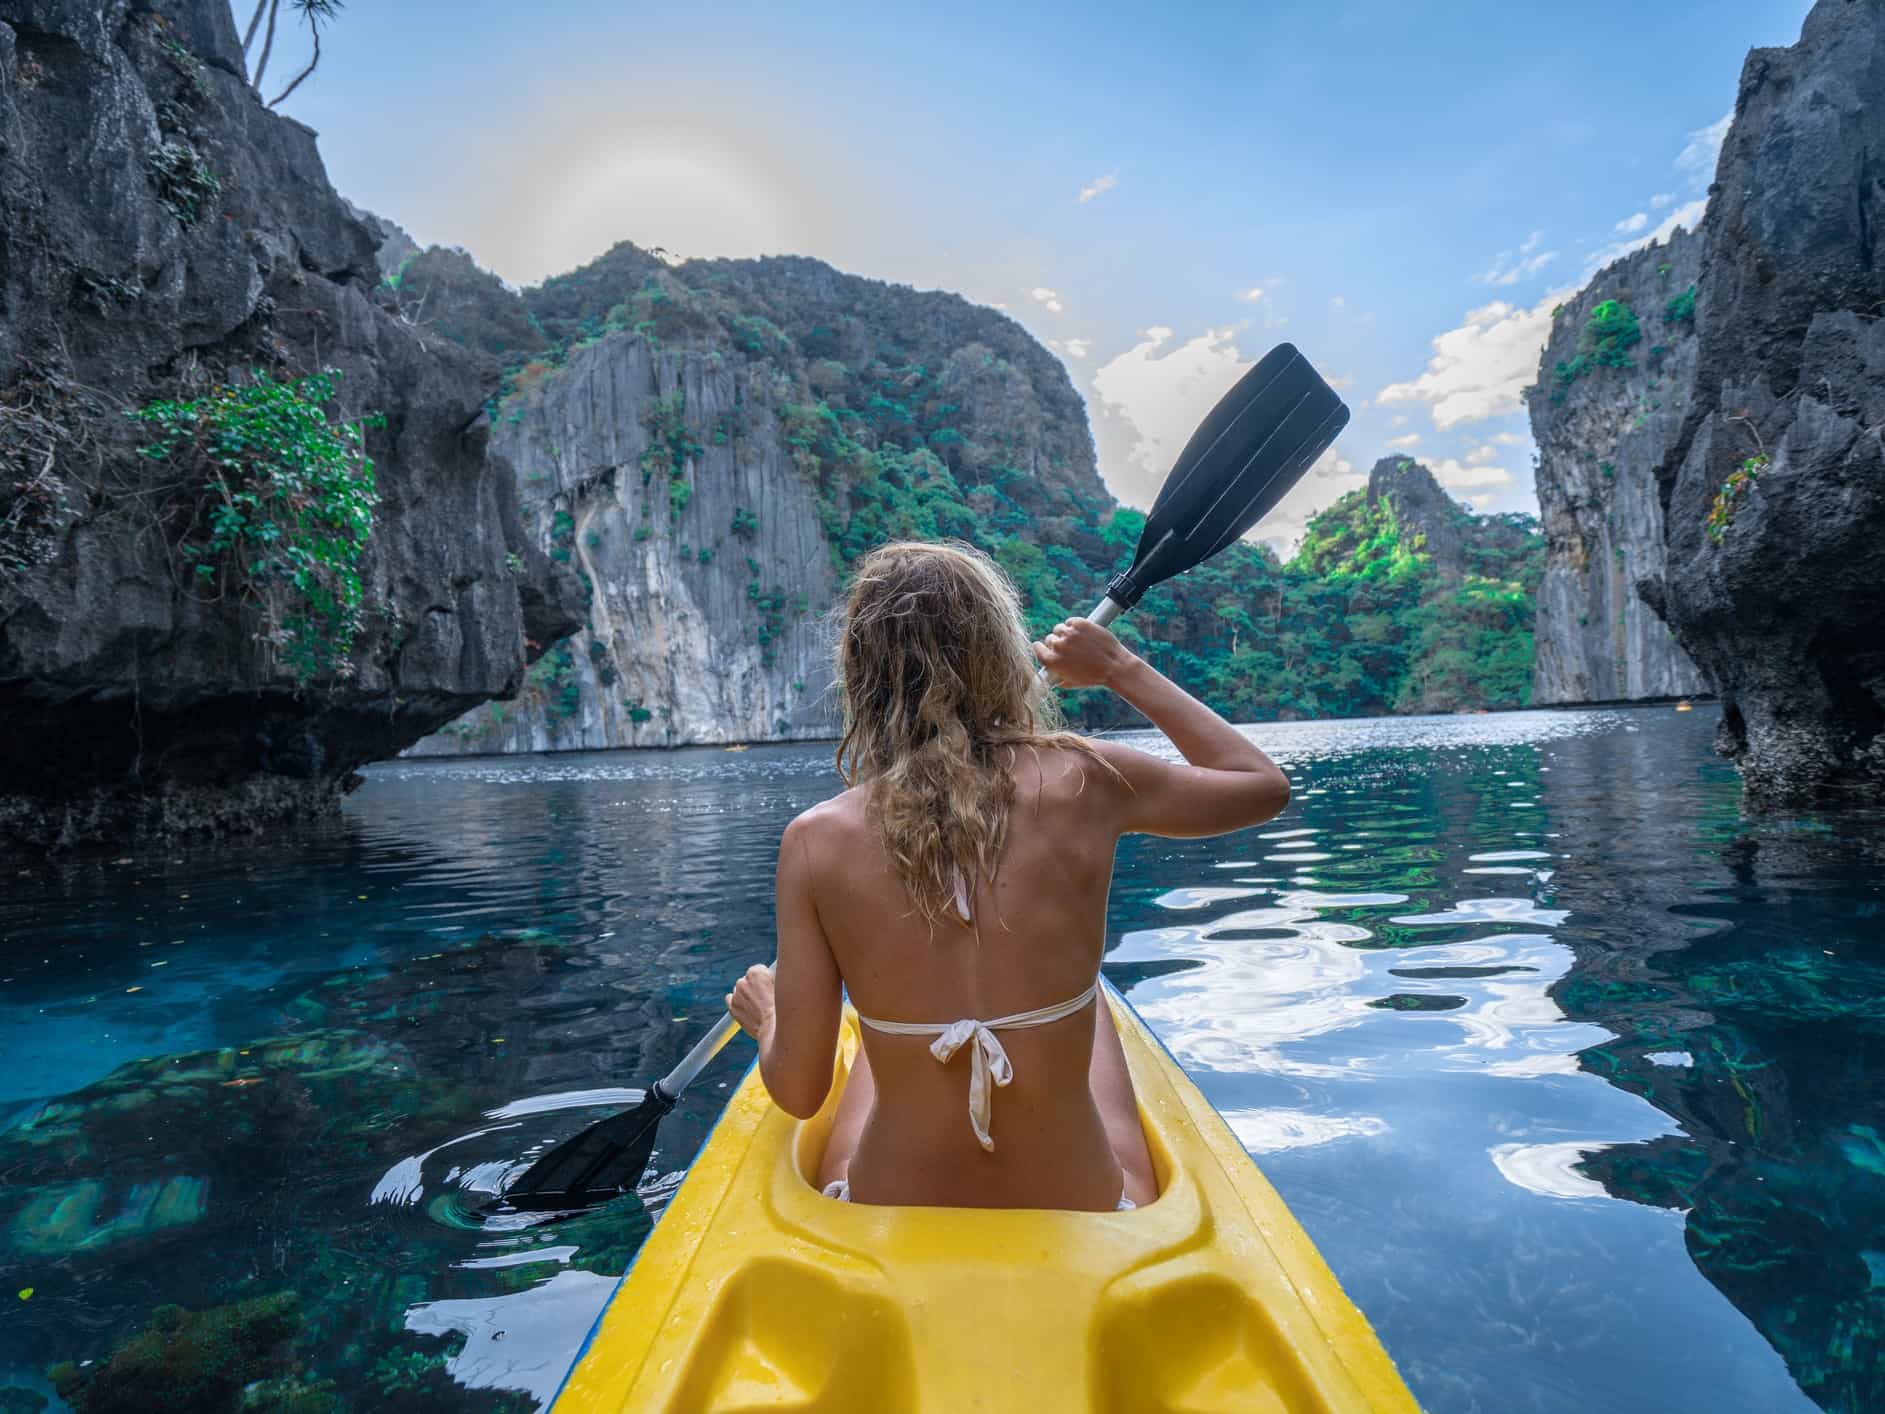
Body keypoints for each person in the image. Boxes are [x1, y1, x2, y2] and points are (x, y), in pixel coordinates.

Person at [726, 541, 1290, 1210]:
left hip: (886, 1200)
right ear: (1001, 656)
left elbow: (799, 1091)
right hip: (1082, 1200)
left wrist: (769, 1022)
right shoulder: (1086, 778)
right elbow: (1260, 786)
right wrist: (1119, 668)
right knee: (1090, 999)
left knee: (885, 1039)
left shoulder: (815, 840)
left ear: (859, 675)